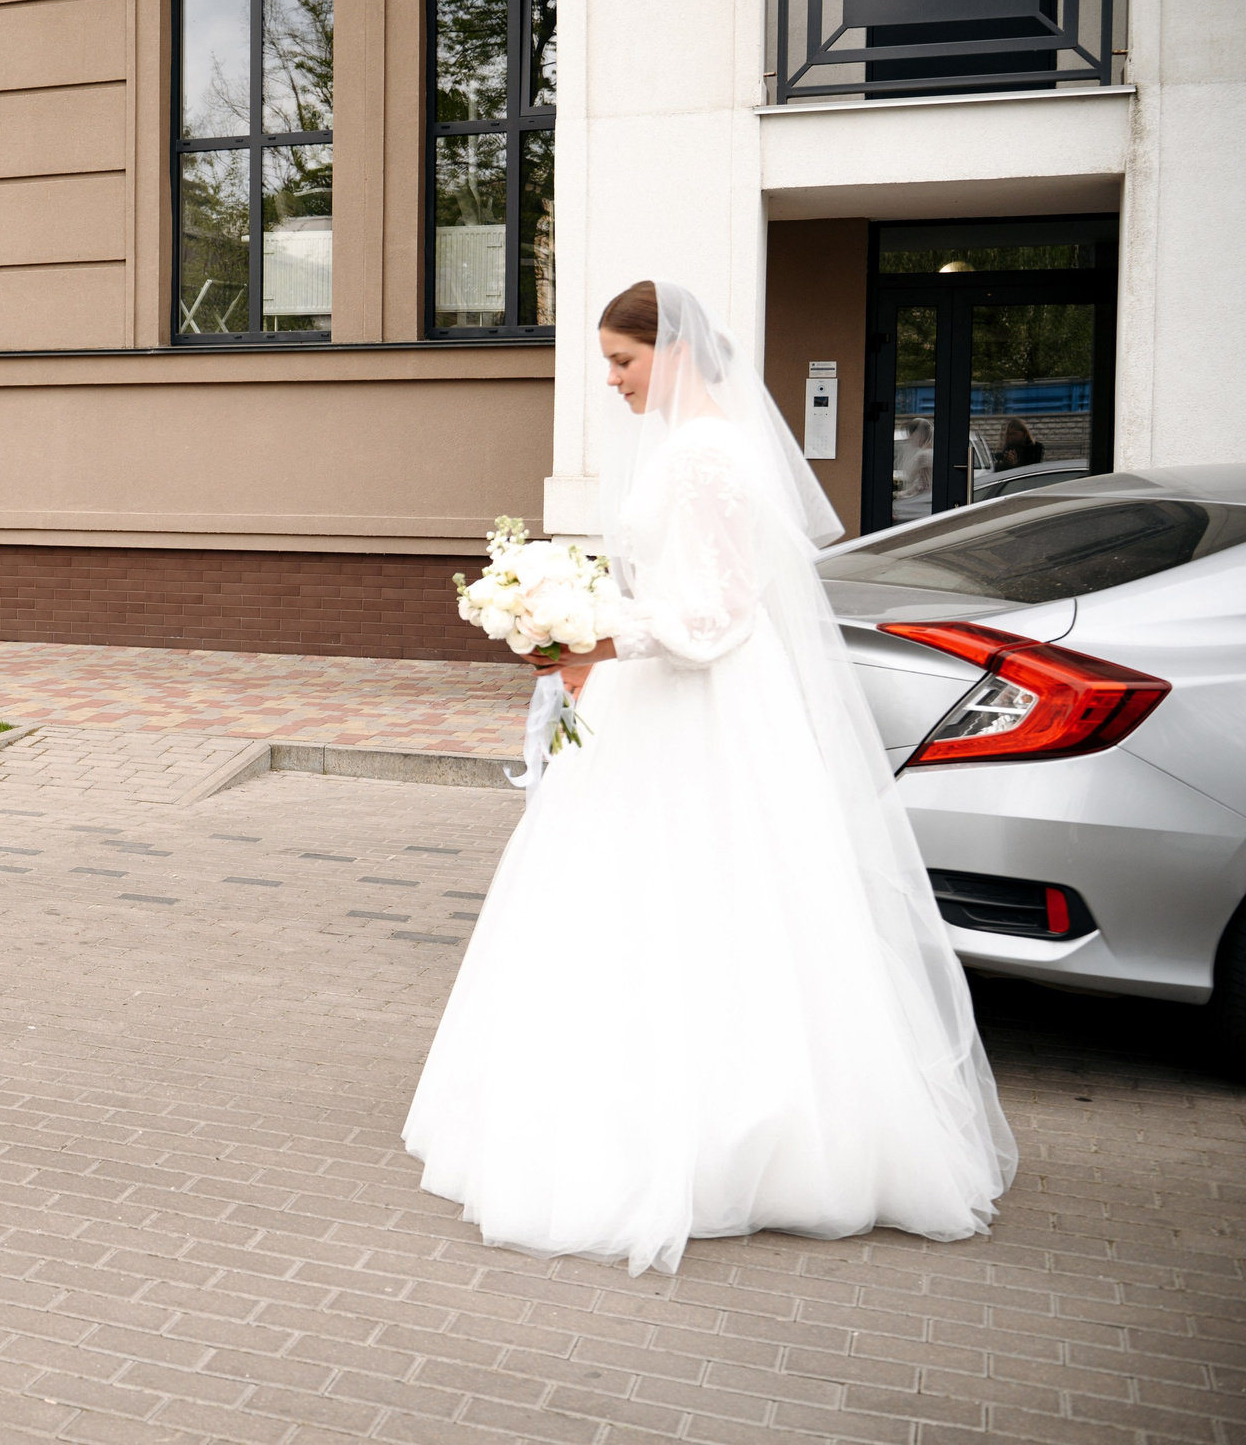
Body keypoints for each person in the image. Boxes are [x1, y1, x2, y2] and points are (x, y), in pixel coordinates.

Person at [402, 280, 1016, 1275]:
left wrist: (594, 634)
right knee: (668, 904)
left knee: (697, 899)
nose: (611, 381)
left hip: (702, 705)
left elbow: (716, 615)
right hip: (664, 699)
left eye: (621, 361)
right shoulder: (702, 446)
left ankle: (715, 1136)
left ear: (672, 350)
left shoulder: (705, 455)